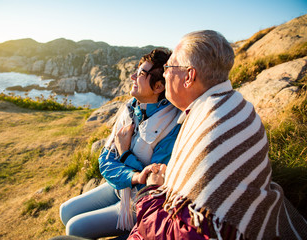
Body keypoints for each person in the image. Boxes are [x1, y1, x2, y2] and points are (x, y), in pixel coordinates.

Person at [128, 30, 307, 240]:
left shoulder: (210, 122)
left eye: (169, 66)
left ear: (189, 76)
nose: (165, 73)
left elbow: (187, 233)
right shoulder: (235, 104)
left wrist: (152, 191)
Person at [59, 48, 181, 239]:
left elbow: (152, 186)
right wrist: (133, 175)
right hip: (120, 188)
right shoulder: (130, 109)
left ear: (158, 87)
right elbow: (105, 160)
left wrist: (124, 153)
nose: (132, 76)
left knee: (75, 228)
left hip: (138, 202)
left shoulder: (172, 125)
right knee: (65, 211)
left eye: (141, 73)